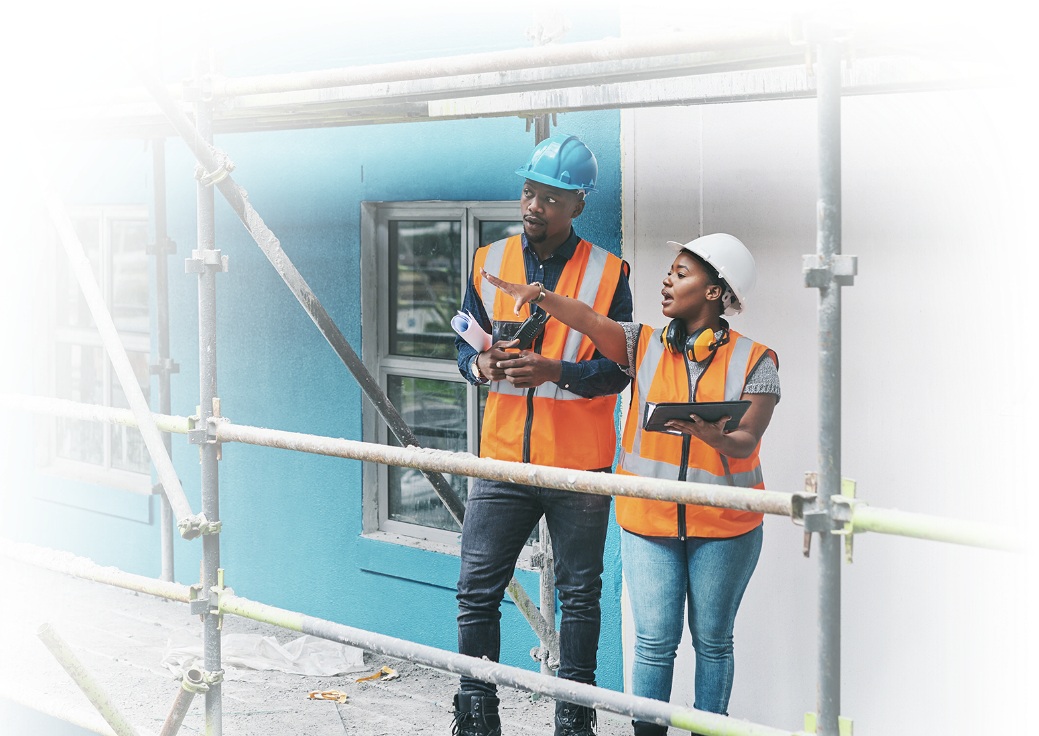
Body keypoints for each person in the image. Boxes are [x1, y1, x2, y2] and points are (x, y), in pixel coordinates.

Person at [482, 233, 779, 735]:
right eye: (670, 270)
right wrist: (543, 297)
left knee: (712, 641)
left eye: (682, 273)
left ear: (714, 292)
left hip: (726, 528)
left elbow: (747, 440)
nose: (667, 279)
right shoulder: (642, 343)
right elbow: (592, 321)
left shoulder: (758, 361)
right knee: (654, 644)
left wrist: (713, 435)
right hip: (649, 523)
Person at [452, 133, 633, 736]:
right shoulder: (488, 260)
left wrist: (557, 371)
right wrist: (480, 365)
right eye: (530, 191)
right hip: (502, 460)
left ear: (578, 205)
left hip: (578, 466)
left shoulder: (609, 274)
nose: (534, 205)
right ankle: (476, 717)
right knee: (477, 592)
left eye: (551, 198)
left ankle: (574, 725)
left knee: (580, 598)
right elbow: (464, 344)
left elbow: (621, 369)